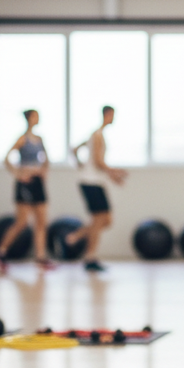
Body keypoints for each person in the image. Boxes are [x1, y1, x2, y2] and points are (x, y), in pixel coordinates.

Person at [61, 105, 127, 272]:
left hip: (94, 182)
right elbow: (98, 162)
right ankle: (90, 257)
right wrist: (114, 173)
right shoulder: (97, 136)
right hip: (91, 182)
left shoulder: (95, 135)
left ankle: (76, 236)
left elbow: (75, 149)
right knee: (99, 220)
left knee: (106, 221)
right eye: (112, 115)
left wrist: (80, 164)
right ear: (107, 114)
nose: (113, 118)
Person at [0, 109, 53, 273]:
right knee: (22, 222)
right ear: (29, 118)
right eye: (34, 116)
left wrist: (43, 171)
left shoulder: (40, 139)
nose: (37, 118)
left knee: (41, 221)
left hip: (37, 182)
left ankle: (40, 257)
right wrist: (18, 174)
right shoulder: (22, 139)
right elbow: (6, 158)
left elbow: (46, 160)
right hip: (25, 183)